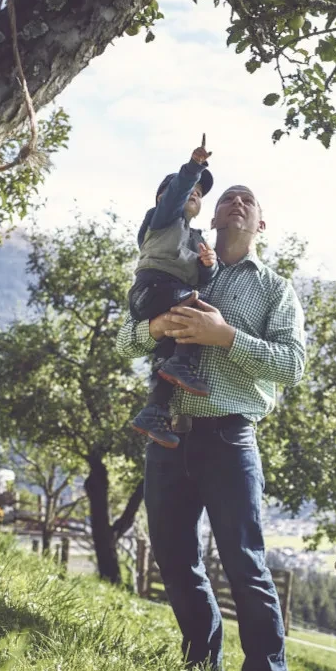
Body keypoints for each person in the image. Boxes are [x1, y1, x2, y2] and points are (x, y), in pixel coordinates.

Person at [117, 181, 306, 671]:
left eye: (249, 201)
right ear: (213, 213)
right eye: (229, 197)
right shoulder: (180, 262)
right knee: (175, 560)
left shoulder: (274, 289)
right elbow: (125, 339)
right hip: (167, 434)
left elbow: (292, 365)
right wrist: (153, 327)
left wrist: (226, 337)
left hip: (229, 436)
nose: (237, 202)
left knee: (244, 563)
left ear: (260, 225)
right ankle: (201, 664)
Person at [128, 137, 217, 449]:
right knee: (200, 314)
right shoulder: (162, 219)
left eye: (199, 194)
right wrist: (194, 168)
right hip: (153, 288)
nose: (193, 192)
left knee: (167, 359)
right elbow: (176, 193)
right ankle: (180, 365)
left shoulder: (196, 238)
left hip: (168, 296)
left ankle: (154, 411)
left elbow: (201, 278)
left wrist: (209, 265)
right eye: (188, 189)